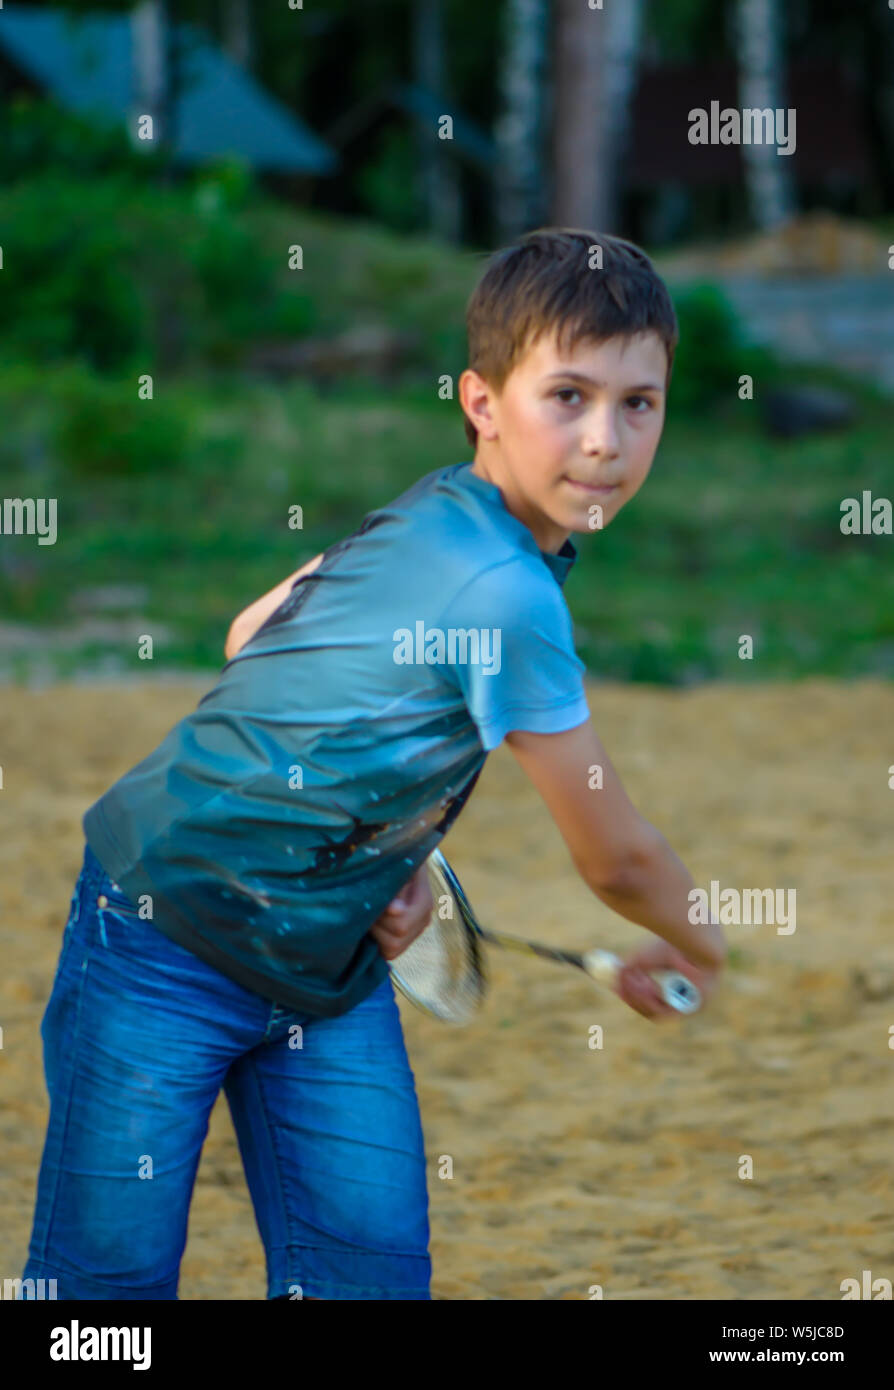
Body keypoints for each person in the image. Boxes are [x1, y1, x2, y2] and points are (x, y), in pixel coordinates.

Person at [22, 227, 726, 1302]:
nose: (607, 440)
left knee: (365, 1277)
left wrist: (367, 853)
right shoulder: (510, 592)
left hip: (327, 960)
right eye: (569, 396)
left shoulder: (432, 505)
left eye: (641, 403)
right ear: (483, 402)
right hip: (162, 936)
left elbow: (254, 632)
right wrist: (701, 943)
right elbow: (619, 860)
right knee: (102, 1295)